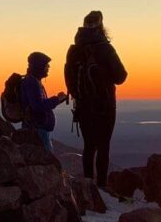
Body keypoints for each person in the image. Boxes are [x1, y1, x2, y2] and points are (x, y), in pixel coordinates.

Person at [64, 10, 127, 189]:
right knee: (103, 146)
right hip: (104, 105)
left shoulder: (74, 50)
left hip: (83, 106)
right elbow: (121, 76)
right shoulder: (105, 48)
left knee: (89, 146)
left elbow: (69, 79)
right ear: (101, 26)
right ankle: (101, 187)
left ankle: (88, 185)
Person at [19, 51, 68, 151]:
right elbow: (37, 106)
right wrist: (57, 99)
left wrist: (58, 100)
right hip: (36, 131)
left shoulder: (33, 81)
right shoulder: (31, 82)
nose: (48, 68)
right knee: (46, 159)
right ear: (39, 66)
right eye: (46, 65)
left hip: (38, 130)